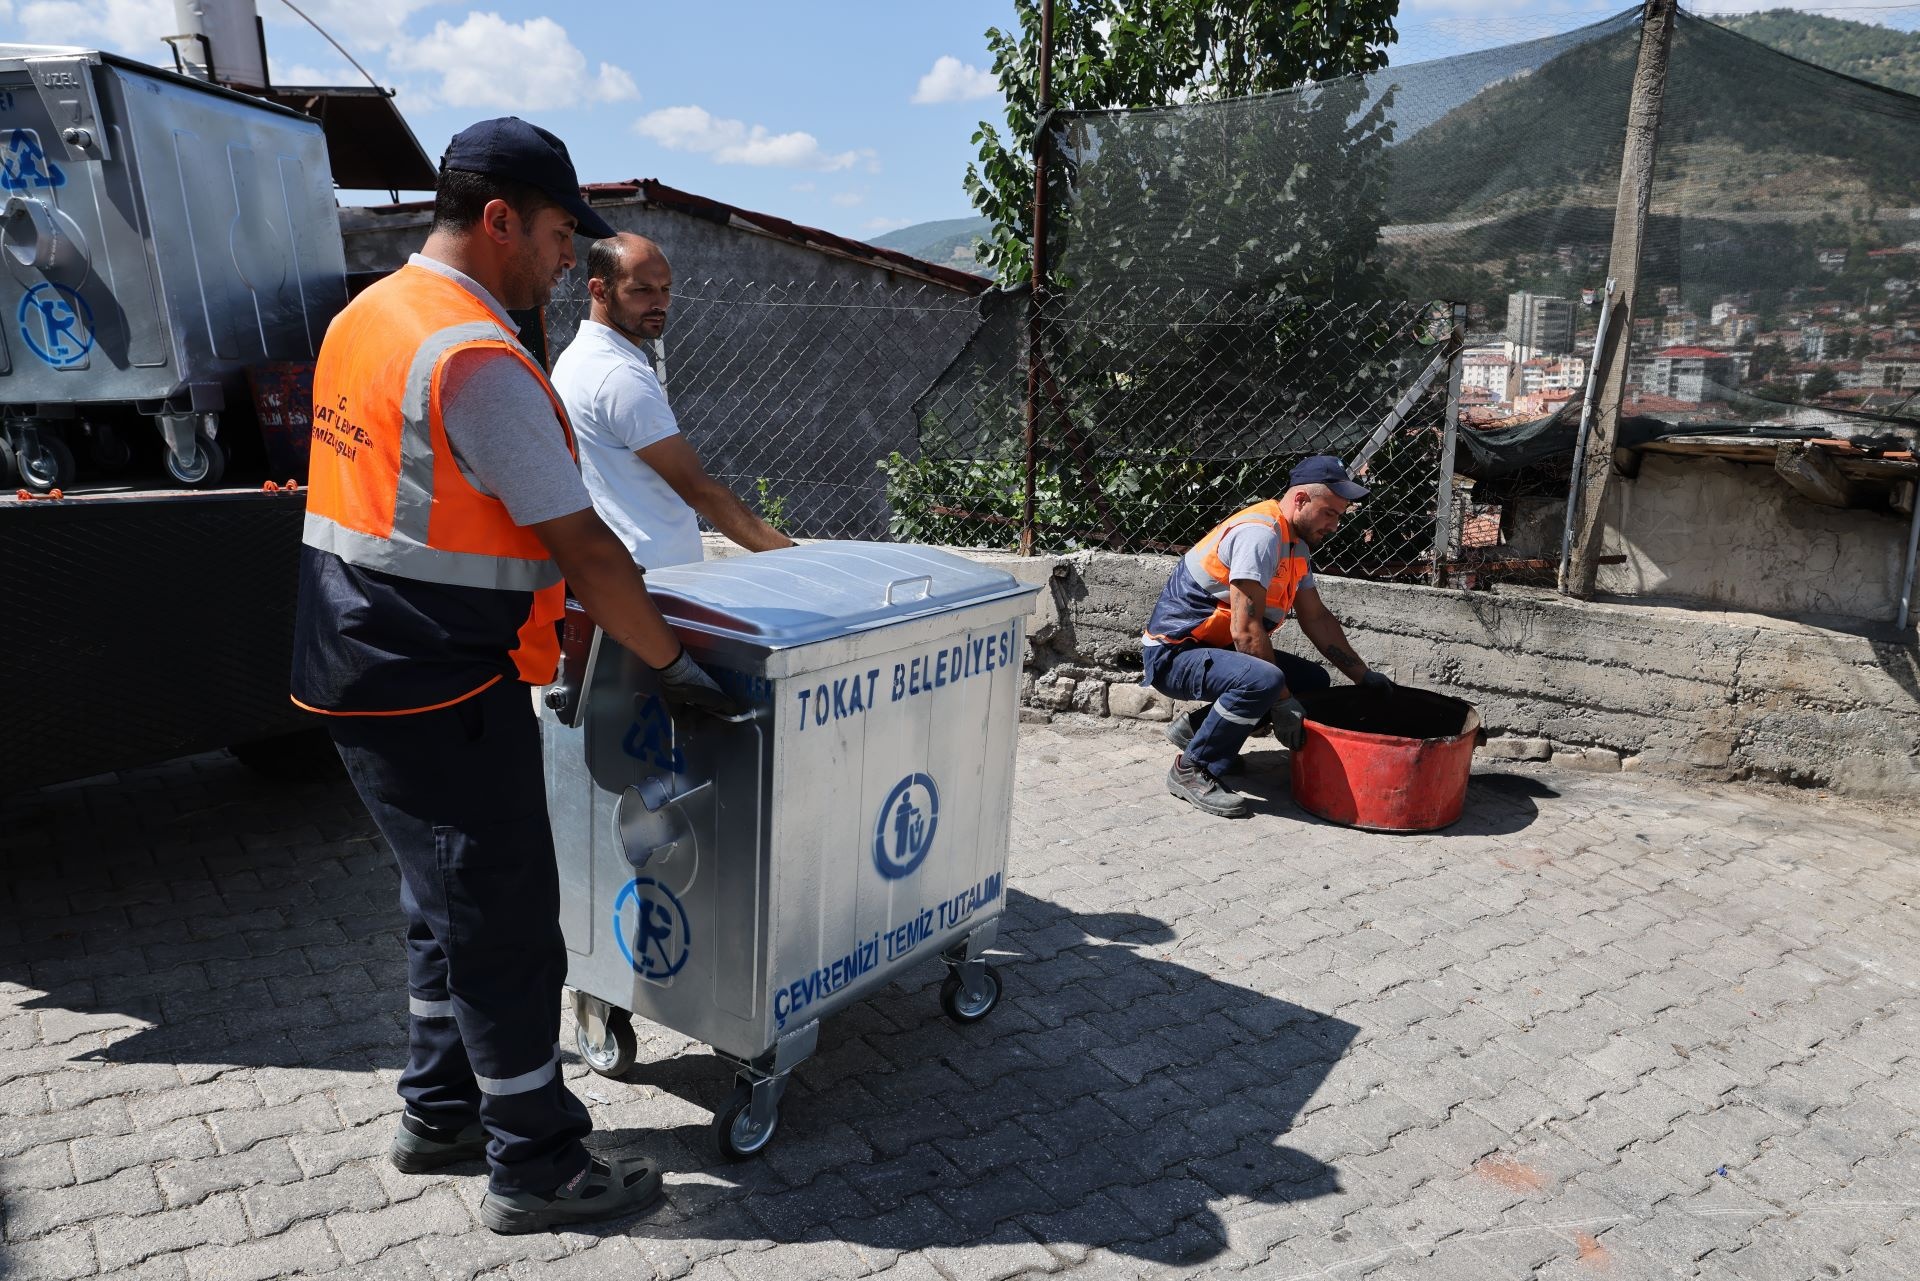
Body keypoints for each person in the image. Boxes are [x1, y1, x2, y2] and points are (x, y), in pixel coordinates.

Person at [290, 117, 735, 1235]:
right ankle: (535, 1163)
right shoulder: (475, 359)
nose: (561, 260)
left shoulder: (367, 317)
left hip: (358, 658)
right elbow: (586, 547)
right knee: (505, 924)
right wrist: (674, 665)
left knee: (441, 905)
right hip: (431, 676)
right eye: (550, 235)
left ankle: (439, 1109)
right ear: (497, 221)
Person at [1141, 455, 1392, 818]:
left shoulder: (1296, 545)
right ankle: (1193, 768)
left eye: (1338, 516)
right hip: (1174, 655)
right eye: (1330, 513)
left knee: (1312, 680)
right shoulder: (1260, 536)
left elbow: (1317, 617)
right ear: (1302, 500)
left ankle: (1196, 731)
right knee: (1268, 681)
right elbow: (1245, 632)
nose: (1334, 526)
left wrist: (1362, 675)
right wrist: (1282, 701)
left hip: (1213, 649)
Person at [551, 232, 794, 569]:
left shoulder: (576, 359)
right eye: (642, 290)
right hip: (656, 581)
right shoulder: (618, 374)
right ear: (599, 290)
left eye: (665, 289)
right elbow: (697, 489)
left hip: (624, 569)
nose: (660, 303)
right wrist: (794, 556)